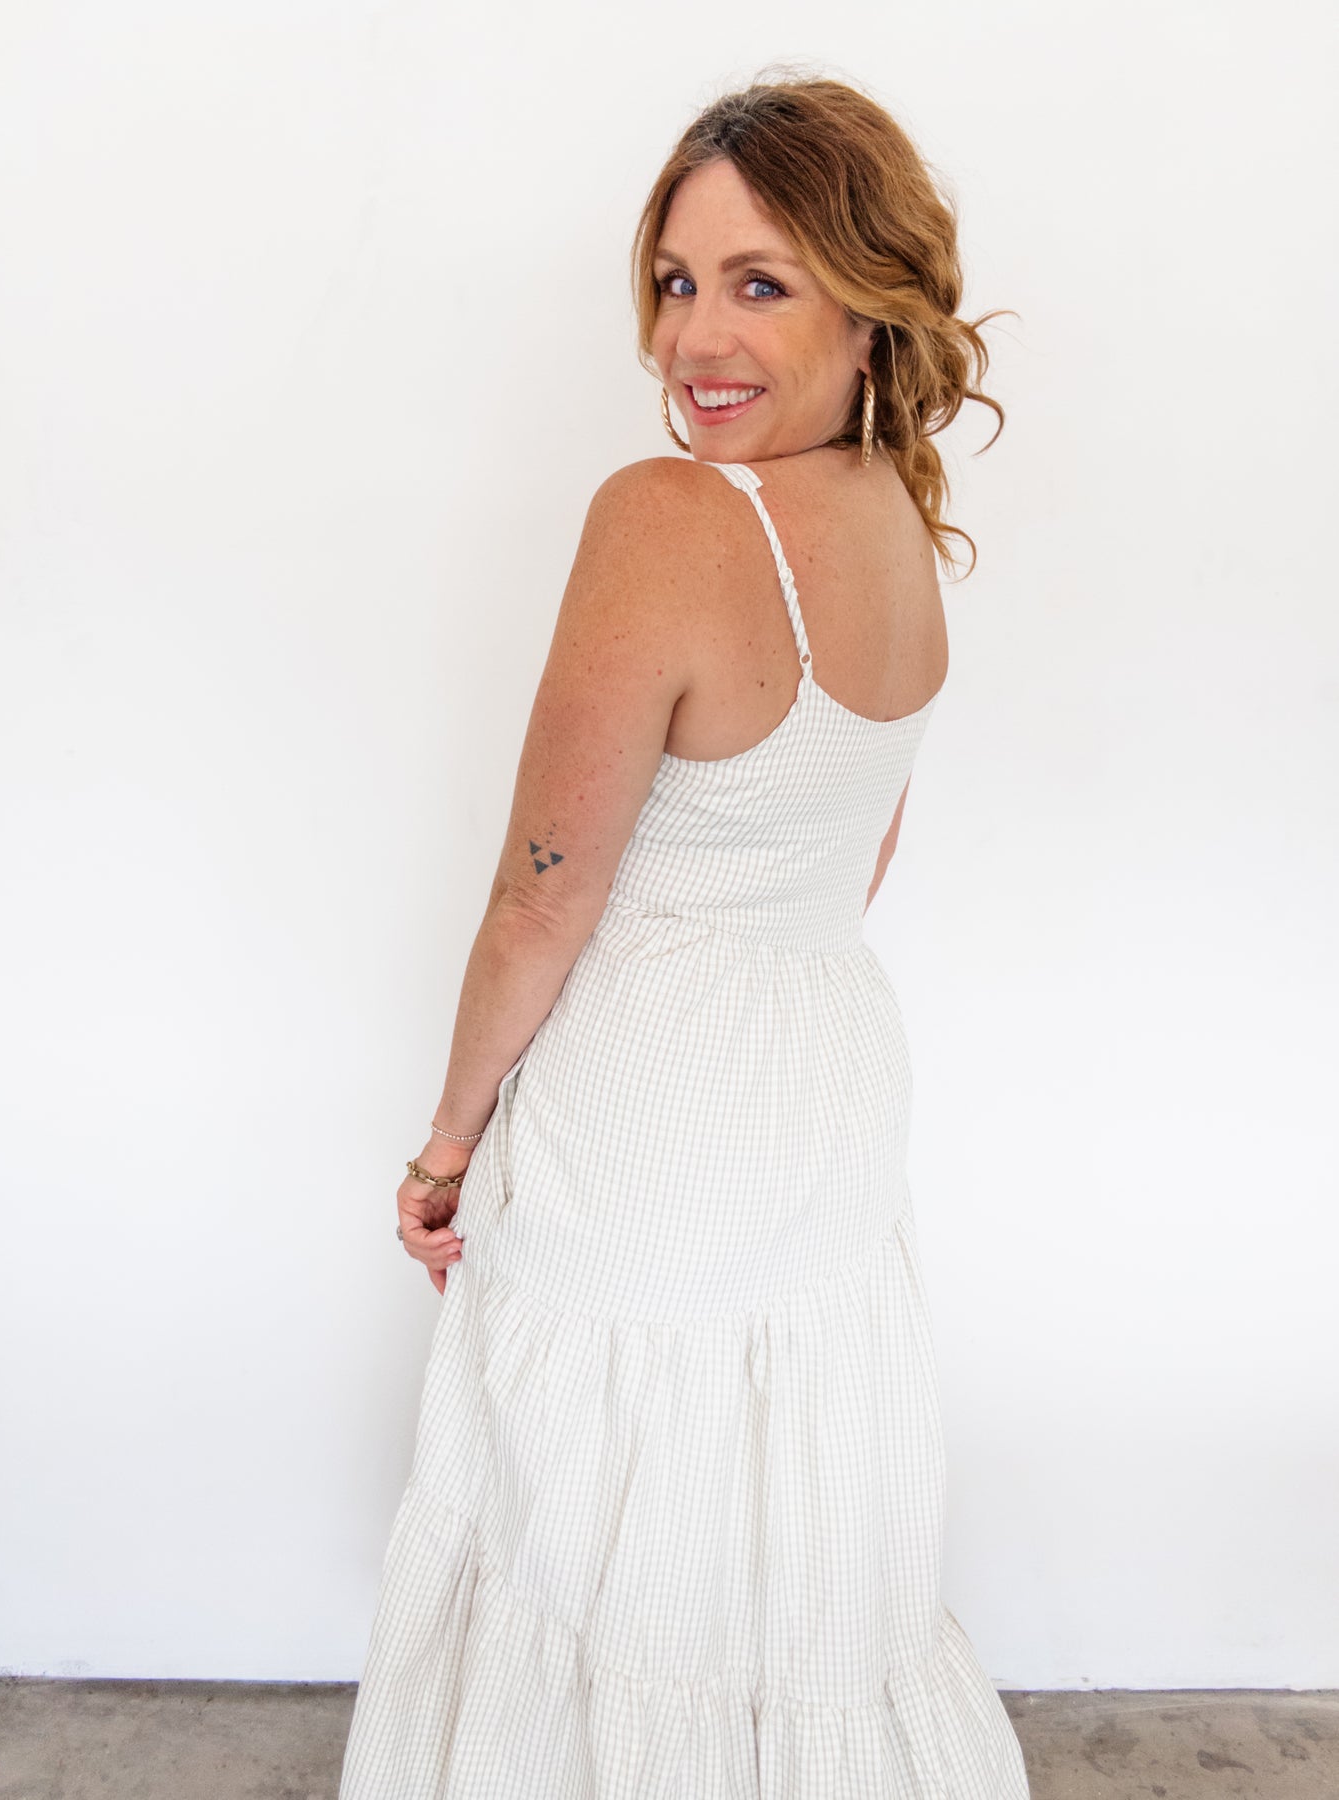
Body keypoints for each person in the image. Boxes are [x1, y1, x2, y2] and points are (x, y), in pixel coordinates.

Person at [338, 73, 1029, 1799]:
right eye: (671, 281)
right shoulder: (892, 513)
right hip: (822, 1069)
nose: (690, 340)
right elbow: (856, 852)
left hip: (653, 1102)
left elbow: (542, 891)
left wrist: (447, 1143)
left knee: (605, 1519)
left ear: (868, 306)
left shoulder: (668, 517)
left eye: (756, 282)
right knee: (776, 1515)